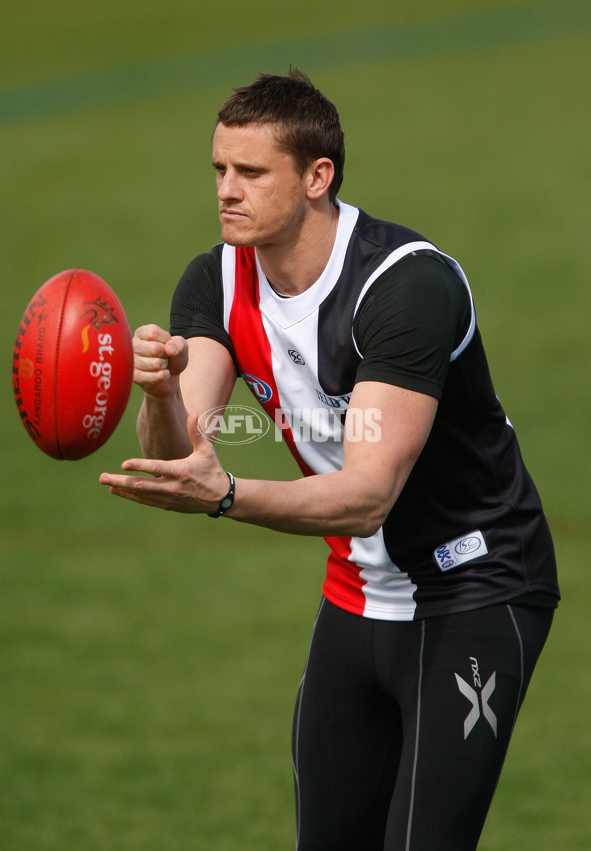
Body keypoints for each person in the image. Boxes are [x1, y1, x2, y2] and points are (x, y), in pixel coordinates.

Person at [100, 69, 560, 850]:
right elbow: (185, 452)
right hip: (354, 594)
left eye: (251, 172)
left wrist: (226, 496)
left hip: (476, 590)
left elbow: (368, 493)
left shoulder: (405, 286)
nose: (226, 191)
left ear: (318, 176)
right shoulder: (215, 279)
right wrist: (159, 392)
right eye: (219, 169)